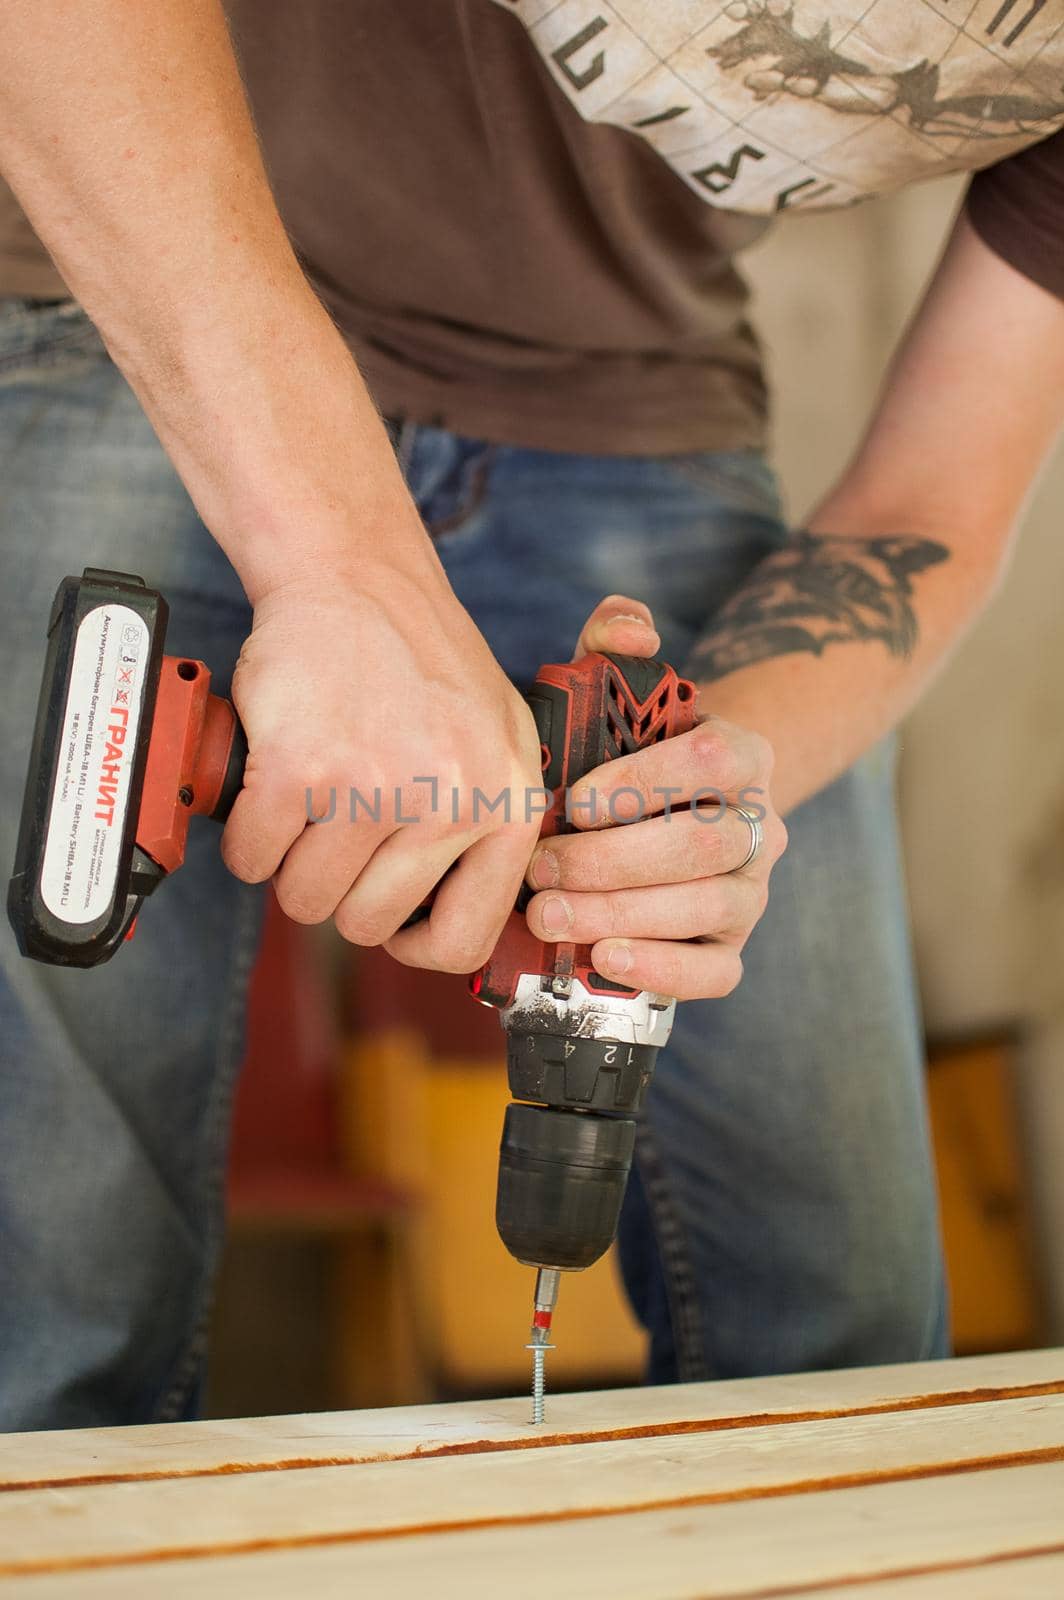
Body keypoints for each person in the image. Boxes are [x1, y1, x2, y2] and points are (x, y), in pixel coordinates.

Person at [1, 0, 1061, 1431]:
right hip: (134, 280)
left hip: (631, 397)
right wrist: (339, 564)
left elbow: (930, 506)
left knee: (845, 1337)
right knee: (60, 1312)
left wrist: (710, 802)